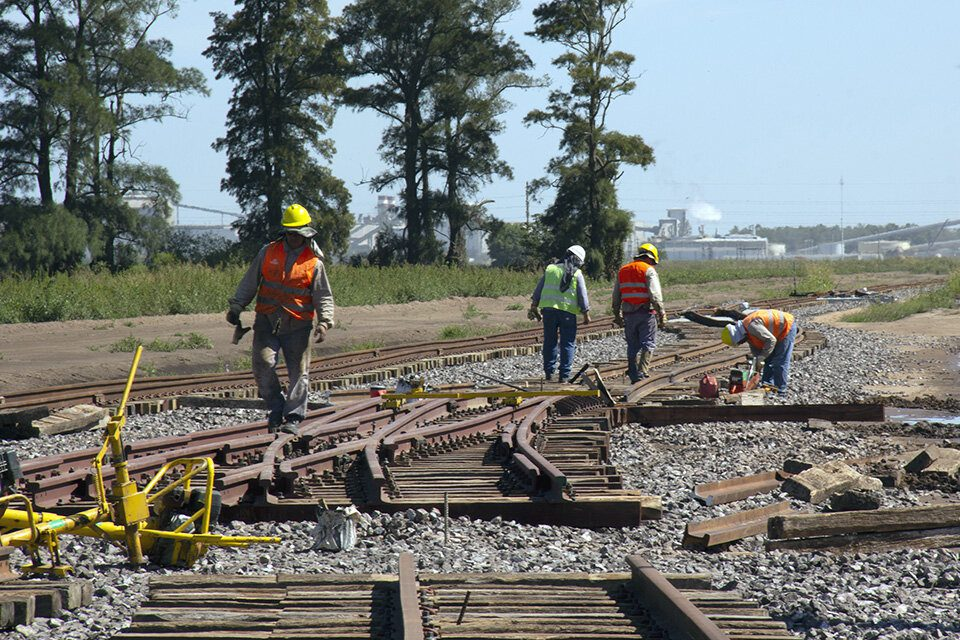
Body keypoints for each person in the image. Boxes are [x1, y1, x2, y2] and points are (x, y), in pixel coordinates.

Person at [226, 204, 334, 434]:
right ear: (285, 232)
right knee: (263, 364)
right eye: (291, 232)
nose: (294, 237)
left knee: (299, 372)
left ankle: (293, 416)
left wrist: (325, 322)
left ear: (306, 232)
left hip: (298, 325)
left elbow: (323, 295)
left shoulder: (314, 263)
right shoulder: (268, 252)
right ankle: (276, 408)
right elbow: (250, 281)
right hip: (267, 322)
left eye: (299, 232)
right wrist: (237, 306)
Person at [528, 245, 591, 383]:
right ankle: (564, 376)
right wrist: (586, 314)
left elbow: (538, 289)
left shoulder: (550, 269)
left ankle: (549, 373)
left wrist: (534, 306)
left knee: (549, 341)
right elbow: (582, 295)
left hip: (549, 311)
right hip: (567, 313)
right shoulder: (577, 273)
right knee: (567, 342)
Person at [612, 243, 667, 383]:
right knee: (648, 343)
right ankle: (642, 372)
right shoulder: (648, 270)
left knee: (632, 344)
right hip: (646, 313)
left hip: (628, 314)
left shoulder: (623, 270)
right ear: (650, 258)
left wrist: (617, 315)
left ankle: (632, 370)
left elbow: (616, 296)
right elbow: (655, 296)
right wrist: (662, 314)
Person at [720, 308, 798, 393]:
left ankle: (781, 391)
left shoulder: (752, 326)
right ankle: (768, 388)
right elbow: (756, 349)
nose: (741, 343)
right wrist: (757, 362)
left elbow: (771, 340)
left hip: (786, 326)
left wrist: (762, 357)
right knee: (768, 360)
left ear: (739, 336)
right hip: (775, 332)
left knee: (780, 362)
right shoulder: (746, 332)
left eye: (740, 342)